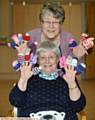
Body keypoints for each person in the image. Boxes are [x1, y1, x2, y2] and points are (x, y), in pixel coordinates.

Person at [9, 41, 86, 119]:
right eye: (43, 58)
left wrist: (72, 83)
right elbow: (16, 102)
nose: (47, 61)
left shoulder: (68, 76)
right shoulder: (29, 76)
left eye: (51, 57)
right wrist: (23, 79)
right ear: (37, 61)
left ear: (58, 59)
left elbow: (78, 107)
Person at [27, 2, 94, 59]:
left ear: (61, 23)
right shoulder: (31, 36)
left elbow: (75, 64)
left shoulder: (68, 38)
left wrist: (77, 55)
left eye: (55, 22)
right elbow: (20, 63)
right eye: (47, 22)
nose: (51, 26)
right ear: (41, 22)